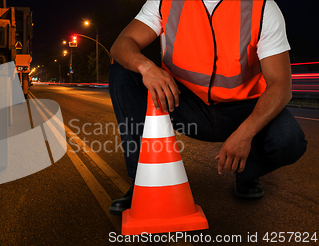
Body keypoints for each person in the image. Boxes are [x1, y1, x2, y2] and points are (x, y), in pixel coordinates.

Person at [108, 0, 307, 216]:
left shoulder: (262, 7)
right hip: (183, 102)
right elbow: (121, 44)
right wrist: (146, 67)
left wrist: (245, 133)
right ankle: (142, 183)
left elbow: (282, 86)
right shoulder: (165, 2)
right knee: (123, 72)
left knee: (290, 140)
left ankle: (246, 173)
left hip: (242, 110)